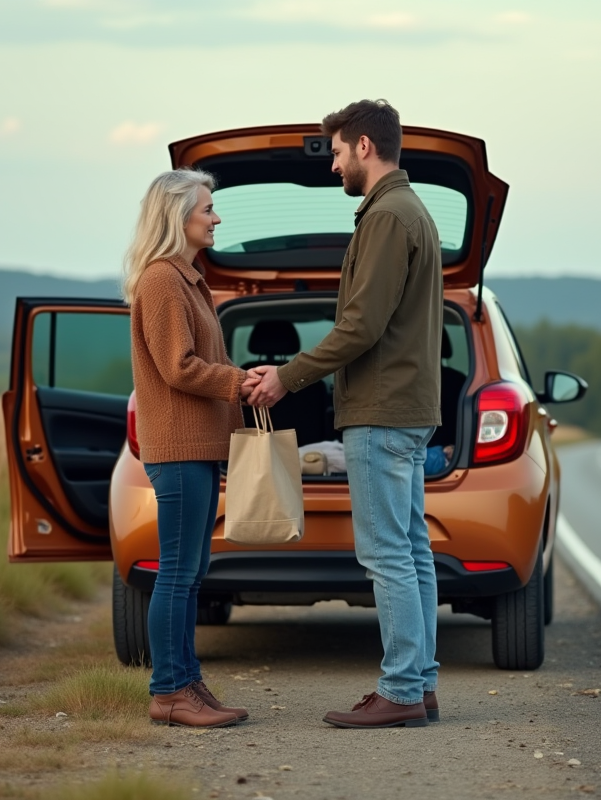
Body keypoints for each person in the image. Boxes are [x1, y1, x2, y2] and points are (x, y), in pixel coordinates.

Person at [246, 99, 444, 729]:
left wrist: (286, 375)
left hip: (382, 412)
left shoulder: (386, 216)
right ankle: (420, 684)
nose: (332, 165)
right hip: (408, 410)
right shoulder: (411, 210)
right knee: (411, 552)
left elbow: (358, 327)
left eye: (334, 152)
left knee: (387, 554)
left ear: (363, 146)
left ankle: (402, 689)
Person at [124, 168, 258, 728]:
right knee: (178, 573)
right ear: (177, 215)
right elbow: (177, 368)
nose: (216, 216)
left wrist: (240, 380)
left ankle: (187, 681)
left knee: (193, 570)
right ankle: (168, 692)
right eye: (208, 208)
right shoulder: (161, 280)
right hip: (177, 450)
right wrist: (235, 383)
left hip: (198, 446)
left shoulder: (188, 280)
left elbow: (201, 362)